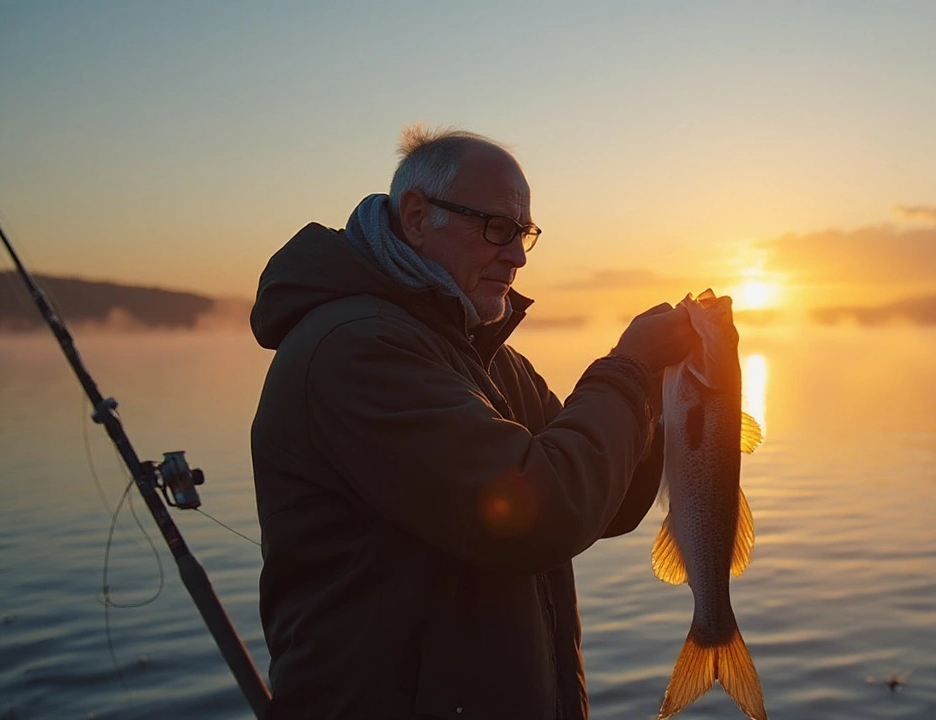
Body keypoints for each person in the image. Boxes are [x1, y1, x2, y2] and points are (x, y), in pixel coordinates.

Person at [249, 125, 698, 720]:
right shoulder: (355, 352)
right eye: (497, 229)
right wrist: (629, 370)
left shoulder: (485, 357)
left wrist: (674, 406)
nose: (515, 255)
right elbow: (543, 509)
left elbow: (603, 504)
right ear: (416, 217)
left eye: (525, 235)